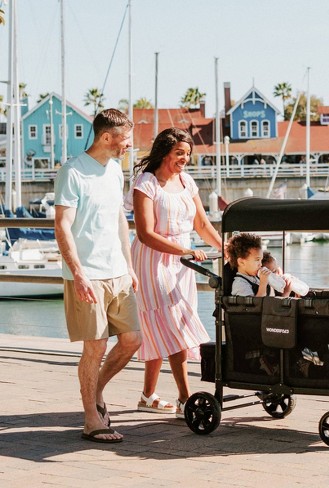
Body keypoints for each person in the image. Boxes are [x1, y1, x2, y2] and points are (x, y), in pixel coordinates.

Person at [54, 108, 142, 443]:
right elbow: (62, 225)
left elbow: (119, 219)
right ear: (107, 137)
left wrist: (129, 264)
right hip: (87, 275)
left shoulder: (116, 170)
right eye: (126, 141)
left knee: (132, 340)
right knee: (96, 346)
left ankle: (97, 390)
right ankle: (92, 418)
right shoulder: (73, 172)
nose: (128, 147)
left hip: (118, 271)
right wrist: (77, 274)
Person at [124, 127, 221, 419]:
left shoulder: (187, 182)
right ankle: (184, 399)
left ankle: (147, 395)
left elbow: (202, 225)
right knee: (175, 327)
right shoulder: (146, 183)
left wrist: (226, 248)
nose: (185, 159)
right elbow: (145, 233)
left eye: (188, 154)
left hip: (182, 265)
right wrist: (184, 251)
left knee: (162, 328)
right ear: (164, 152)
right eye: (180, 153)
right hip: (153, 261)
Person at [226, 233, 292, 297]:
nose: (260, 264)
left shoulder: (257, 277)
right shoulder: (240, 284)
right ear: (241, 262)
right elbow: (254, 307)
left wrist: (286, 292)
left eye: (261, 260)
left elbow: (272, 303)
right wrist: (263, 284)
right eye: (257, 260)